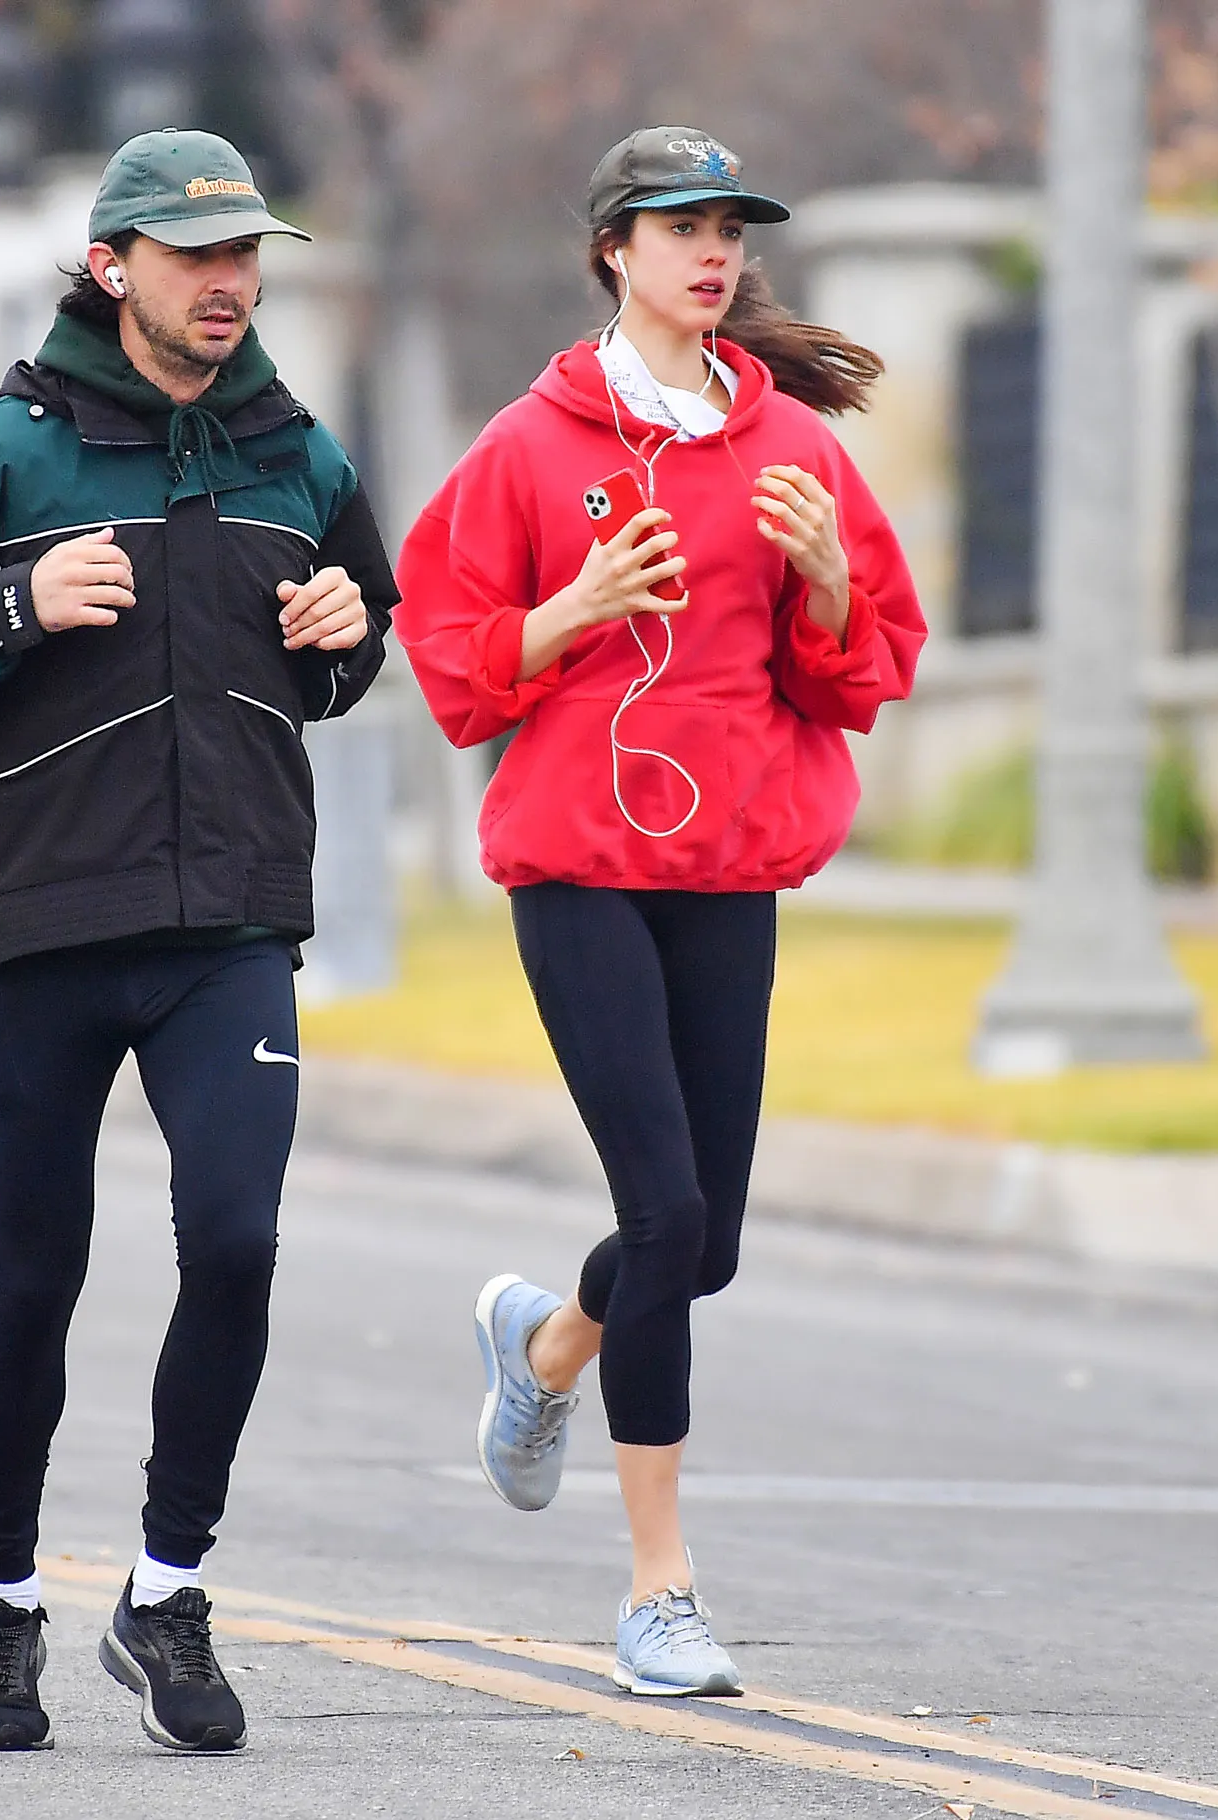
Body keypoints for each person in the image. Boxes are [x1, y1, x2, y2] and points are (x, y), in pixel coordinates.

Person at [0, 129, 395, 1755]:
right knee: (36, 1272)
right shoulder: (2, 457)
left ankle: (167, 1585)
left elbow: (351, 644)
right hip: (37, 925)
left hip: (228, 923)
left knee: (240, 1241)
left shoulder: (299, 457)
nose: (230, 283)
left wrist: (349, 640)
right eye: (197, 256)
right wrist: (12, 608)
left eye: (247, 256)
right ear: (112, 267)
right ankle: (1, 1607)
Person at [394, 126, 926, 1698]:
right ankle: (659, 1593)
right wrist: (570, 612)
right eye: (682, 227)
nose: (715, 253)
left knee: (710, 1246)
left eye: (731, 230)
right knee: (669, 1218)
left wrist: (828, 581)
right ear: (614, 248)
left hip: (725, 876)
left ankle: (546, 1347)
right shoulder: (530, 445)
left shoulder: (797, 454)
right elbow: (449, 647)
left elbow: (861, 666)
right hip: (576, 870)